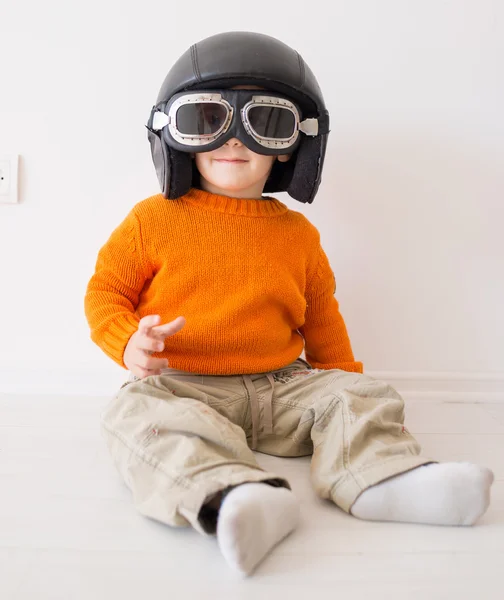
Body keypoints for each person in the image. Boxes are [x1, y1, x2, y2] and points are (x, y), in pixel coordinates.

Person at [84, 31, 494, 576]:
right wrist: (129, 343)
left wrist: (343, 382)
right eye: (209, 119)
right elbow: (106, 292)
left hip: (284, 384)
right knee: (134, 413)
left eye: (264, 123)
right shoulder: (150, 220)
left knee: (363, 392)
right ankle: (234, 496)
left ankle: (380, 477)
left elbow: (322, 315)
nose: (233, 140)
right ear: (174, 134)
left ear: (294, 145)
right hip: (184, 382)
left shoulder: (297, 233)